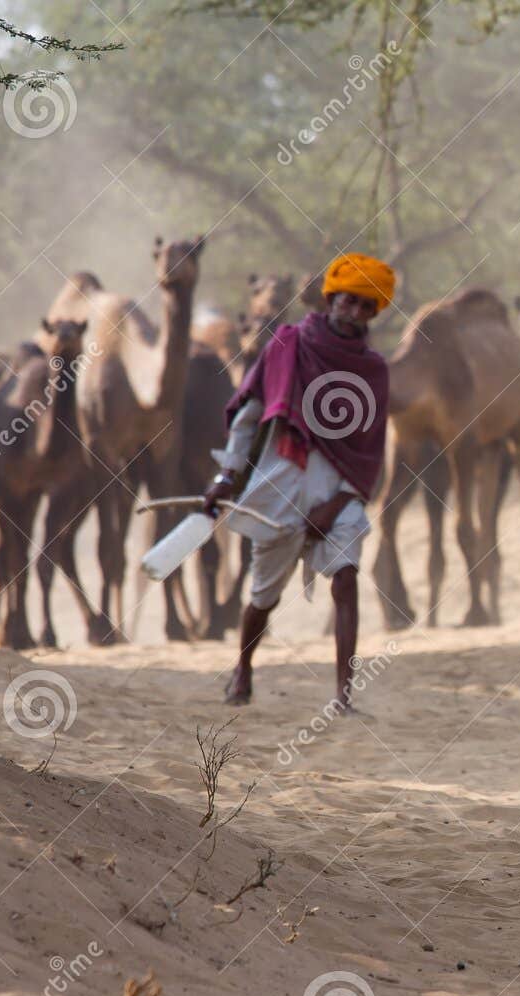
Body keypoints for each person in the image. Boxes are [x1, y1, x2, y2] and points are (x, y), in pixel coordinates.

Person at [203, 252, 396, 710]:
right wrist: (227, 474)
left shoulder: (374, 370)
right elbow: (248, 416)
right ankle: (243, 671)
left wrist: (336, 504)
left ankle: (343, 694)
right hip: (281, 483)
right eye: (349, 301)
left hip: (339, 492)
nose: (354, 312)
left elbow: (370, 452)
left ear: (375, 312)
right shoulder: (287, 346)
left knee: (346, 578)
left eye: (366, 306)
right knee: (262, 597)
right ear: (331, 298)